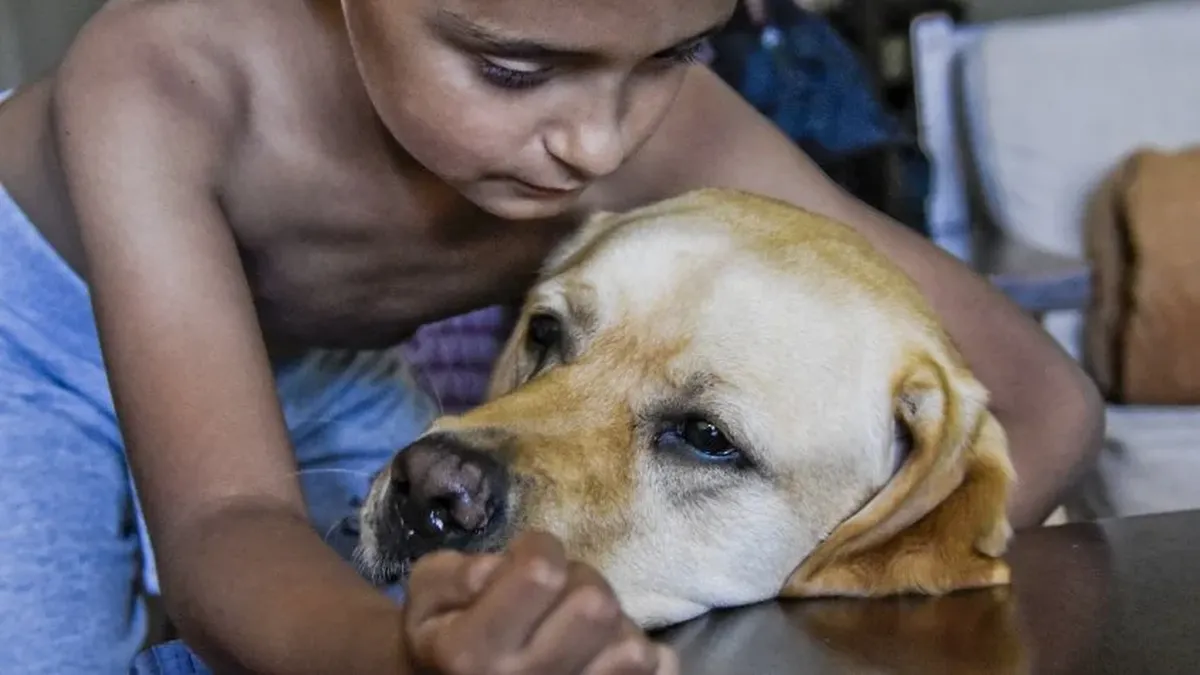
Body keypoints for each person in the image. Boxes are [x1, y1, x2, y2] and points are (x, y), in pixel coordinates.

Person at [0, 0, 1103, 673]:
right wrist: (408, 656)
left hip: (307, 356)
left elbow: (1044, 399)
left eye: (675, 52)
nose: (596, 141)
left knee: (452, 595)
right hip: (24, 333)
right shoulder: (159, 80)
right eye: (515, 70)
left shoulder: (667, 129)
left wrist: (846, 584)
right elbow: (225, 521)